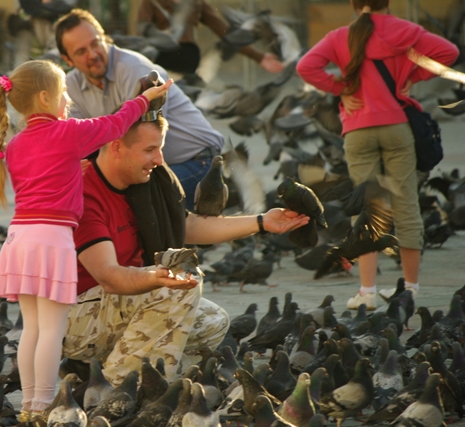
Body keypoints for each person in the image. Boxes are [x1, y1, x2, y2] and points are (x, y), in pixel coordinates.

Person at [63, 113, 309, 386]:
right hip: (76, 318)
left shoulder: (144, 185)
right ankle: (118, 392)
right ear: (117, 146)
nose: (159, 160)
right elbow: (108, 277)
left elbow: (188, 225)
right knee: (172, 289)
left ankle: (101, 374)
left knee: (213, 321)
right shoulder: (83, 190)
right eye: (149, 150)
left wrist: (263, 222)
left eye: (160, 149)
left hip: (116, 305)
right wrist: (156, 279)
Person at [0, 59, 171, 420]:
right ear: (45, 97)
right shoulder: (66, 132)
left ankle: (28, 405)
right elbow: (113, 125)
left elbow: (44, 179)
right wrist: (144, 101)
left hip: (19, 238)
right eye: (63, 92)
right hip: (52, 240)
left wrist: (73, 169)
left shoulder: (18, 143)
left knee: (32, 328)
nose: (68, 99)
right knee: (53, 329)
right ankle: (43, 405)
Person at [296, 0, 458, 310]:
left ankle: (367, 292)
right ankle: (410, 289)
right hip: (397, 126)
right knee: (407, 203)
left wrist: (341, 88)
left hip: (357, 129)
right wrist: (413, 79)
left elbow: (306, 67)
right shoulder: (406, 30)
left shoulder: (339, 36)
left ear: (355, 5)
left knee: (367, 208)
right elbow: (449, 53)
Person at [55, 9, 223, 210]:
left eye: (95, 43)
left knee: (132, 201)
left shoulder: (135, 70)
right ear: (68, 60)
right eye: (81, 52)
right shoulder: (70, 85)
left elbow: (139, 139)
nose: (93, 54)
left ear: (105, 38)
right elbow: (79, 143)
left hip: (199, 163)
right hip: (152, 167)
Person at [137, 0, 284, 75]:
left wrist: (259, 57)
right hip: (161, 59)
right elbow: (142, 30)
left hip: (188, 58)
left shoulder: (196, 2)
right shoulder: (151, 2)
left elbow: (227, 33)